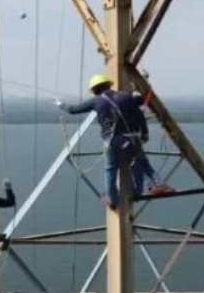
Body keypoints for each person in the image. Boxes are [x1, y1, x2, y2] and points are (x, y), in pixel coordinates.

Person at [56, 73, 171, 208]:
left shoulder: (96, 101)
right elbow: (140, 113)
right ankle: (157, 186)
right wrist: (145, 134)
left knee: (110, 170)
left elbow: (72, 110)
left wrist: (60, 104)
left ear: (94, 90)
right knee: (142, 164)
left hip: (112, 141)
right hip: (132, 137)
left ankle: (112, 200)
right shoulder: (126, 97)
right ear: (109, 84)